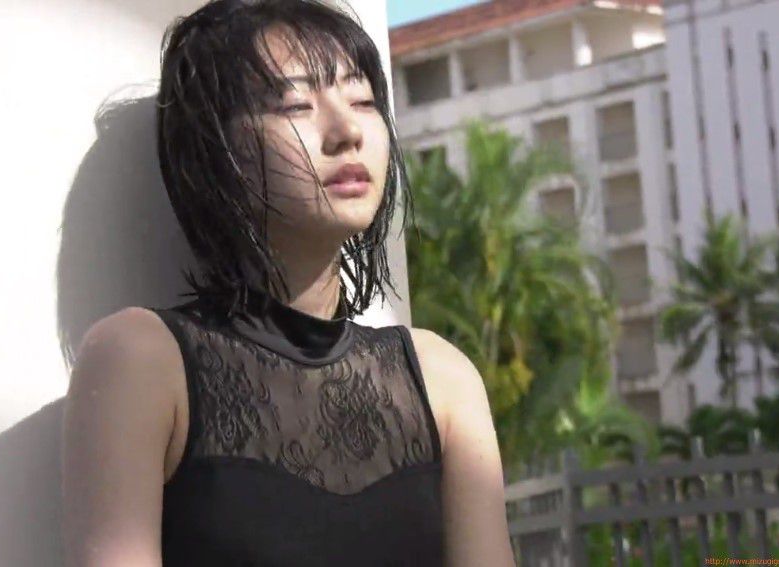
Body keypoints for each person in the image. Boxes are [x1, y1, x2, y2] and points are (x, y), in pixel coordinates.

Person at [59, 0, 514, 565]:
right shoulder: (141, 359)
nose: (347, 132)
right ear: (217, 149)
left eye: (363, 101)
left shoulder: (442, 378)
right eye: (295, 104)